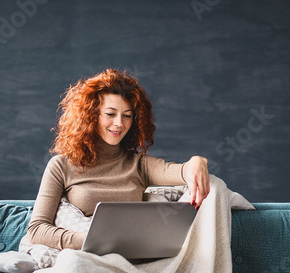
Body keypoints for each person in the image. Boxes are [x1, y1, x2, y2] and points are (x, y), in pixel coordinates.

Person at [27, 68, 210, 250]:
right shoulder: (61, 166)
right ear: (91, 116)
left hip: (131, 257)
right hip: (84, 253)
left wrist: (197, 161)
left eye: (127, 116)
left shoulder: (139, 165)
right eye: (110, 114)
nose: (119, 123)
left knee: (215, 186)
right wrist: (91, 241)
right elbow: (36, 230)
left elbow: (181, 171)